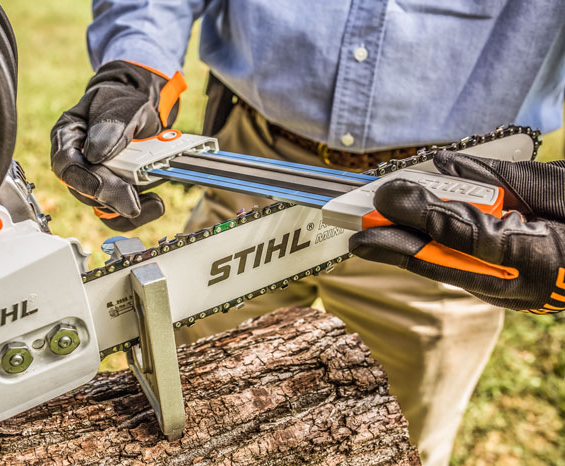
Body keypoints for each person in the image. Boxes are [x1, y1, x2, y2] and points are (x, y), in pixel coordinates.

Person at [50, 2, 565, 464]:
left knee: (400, 436)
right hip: (253, 161)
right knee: (191, 383)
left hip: (450, 203)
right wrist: (138, 65)